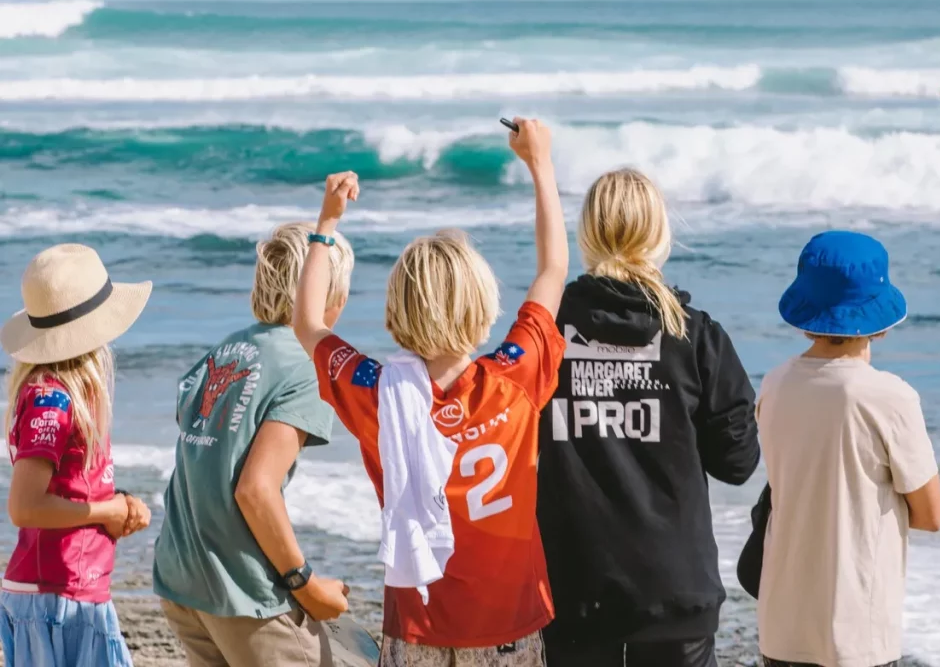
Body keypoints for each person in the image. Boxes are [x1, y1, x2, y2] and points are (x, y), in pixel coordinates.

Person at [294, 118, 568, 666]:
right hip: (508, 623)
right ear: (483, 304)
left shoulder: (376, 391)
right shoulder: (513, 377)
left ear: (398, 310)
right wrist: (540, 164)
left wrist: (326, 225)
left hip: (418, 623)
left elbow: (308, 324)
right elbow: (553, 269)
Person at [535, 168, 760, 667]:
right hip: (673, 588)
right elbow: (737, 462)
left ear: (588, 233)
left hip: (573, 583)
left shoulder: (547, 330)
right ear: (659, 235)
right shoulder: (696, 336)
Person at [153, 222, 354, 667]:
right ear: (325, 297)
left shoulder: (218, 355)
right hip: (242, 591)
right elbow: (254, 490)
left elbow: (201, 455)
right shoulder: (305, 366)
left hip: (183, 576)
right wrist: (304, 582)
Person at [756, 230, 940, 667]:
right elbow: (931, 515)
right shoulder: (889, 397)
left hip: (782, 623)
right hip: (857, 628)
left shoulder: (775, 384)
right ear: (879, 319)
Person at [1, 243, 153, 667]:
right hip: (56, 596)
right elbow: (25, 506)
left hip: (67, 587)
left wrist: (115, 505)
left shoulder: (66, 396)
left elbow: (68, 486)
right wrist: (106, 511)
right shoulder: (53, 401)